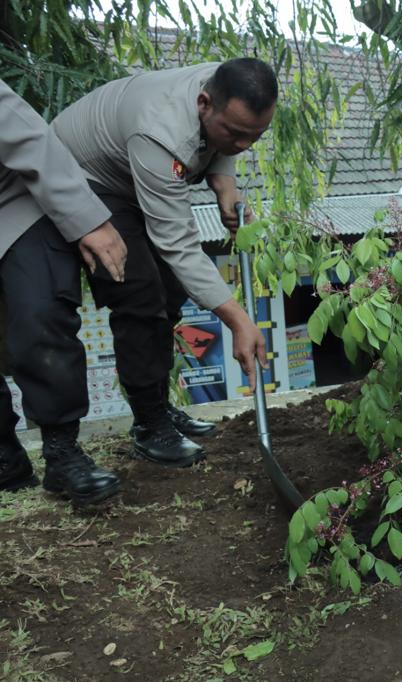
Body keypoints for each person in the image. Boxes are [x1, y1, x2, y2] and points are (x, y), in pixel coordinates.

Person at [52, 59, 275, 468]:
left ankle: (157, 403)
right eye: (236, 134)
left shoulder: (228, 84)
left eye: (255, 136)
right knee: (139, 294)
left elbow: (222, 141)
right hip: (84, 178)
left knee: (172, 289)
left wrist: (225, 185)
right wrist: (239, 320)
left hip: (135, 175)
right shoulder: (160, 132)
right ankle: (149, 423)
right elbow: (179, 245)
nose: (244, 146)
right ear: (204, 103)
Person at [0, 78, 125, 505]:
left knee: (39, 310)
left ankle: (62, 452)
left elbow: (31, 140)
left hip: (12, 201)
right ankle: (5, 459)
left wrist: (86, 219)